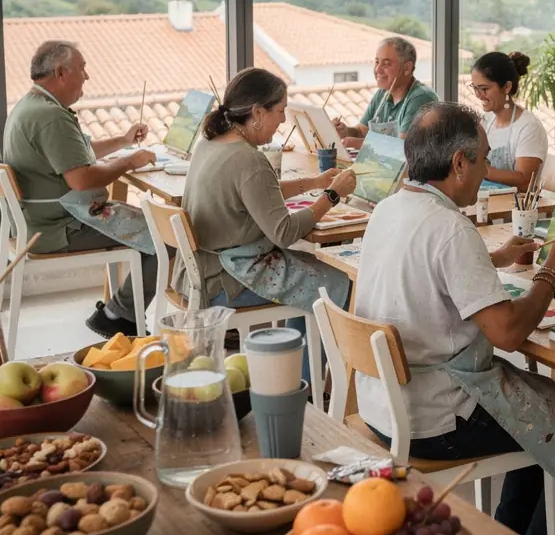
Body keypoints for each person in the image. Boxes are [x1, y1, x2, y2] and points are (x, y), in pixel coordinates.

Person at [355, 101, 555, 535]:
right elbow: (509, 333)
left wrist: (493, 257)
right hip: (436, 416)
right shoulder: (449, 228)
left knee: (532, 416)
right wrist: (553, 271)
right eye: (482, 160)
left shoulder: (392, 206)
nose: (487, 171)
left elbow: (430, 273)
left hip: (384, 404)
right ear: (458, 164)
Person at [175, 68, 356, 371]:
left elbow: (258, 192)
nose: (283, 120)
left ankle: (298, 372)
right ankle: (308, 384)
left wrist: (313, 183)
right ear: (258, 112)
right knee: (338, 286)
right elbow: (284, 232)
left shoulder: (211, 143)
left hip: (200, 272)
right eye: (281, 111)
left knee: (312, 275)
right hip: (228, 278)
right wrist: (333, 196)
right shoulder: (250, 160)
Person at [2, 40, 160, 338]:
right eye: (82, 68)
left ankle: (119, 313)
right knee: (165, 238)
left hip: (39, 221)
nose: (86, 76)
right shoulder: (50, 116)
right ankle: (119, 316)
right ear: (61, 72)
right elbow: (82, 179)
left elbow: (78, 153)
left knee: (149, 229)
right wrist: (129, 161)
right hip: (59, 226)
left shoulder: (32, 106)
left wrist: (123, 140)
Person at [333, 37, 437, 147]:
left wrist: (353, 142)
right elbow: (362, 132)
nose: (377, 69)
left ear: (407, 68)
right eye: (377, 62)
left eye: (386, 64)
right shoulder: (382, 94)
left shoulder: (421, 98)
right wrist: (345, 131)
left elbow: (402, 148)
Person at [469, 51, 548, 193]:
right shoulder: (486, 121)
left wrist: (480, 170)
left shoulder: (529, 127)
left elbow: (525, 182)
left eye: (484, 89)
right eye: (475, 88)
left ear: (507, 87)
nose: (478, 95)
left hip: (514, 209)